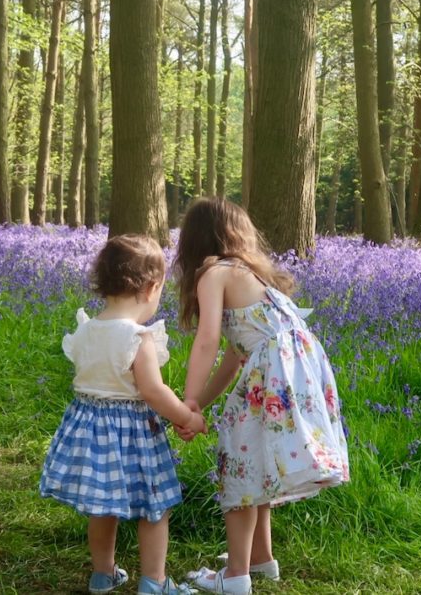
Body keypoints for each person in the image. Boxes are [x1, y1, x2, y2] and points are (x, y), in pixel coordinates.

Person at [173, 198, 350, 594]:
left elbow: (207, 343)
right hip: (294, 368)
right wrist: (200, 402)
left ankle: (235, 577)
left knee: (238, 460)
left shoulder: (214, 273)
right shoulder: (249, 275)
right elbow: (234, 357)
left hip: (274, 370)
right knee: (254, 456)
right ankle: (260, 559)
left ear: (193, 242)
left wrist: (185, 401)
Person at [39, 235, 203, 595]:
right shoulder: (137, 336)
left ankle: (103, 573)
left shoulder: (86, 330)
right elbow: (152, 390)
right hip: (133, 434)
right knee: (154, 507)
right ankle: (154, 582)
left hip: (91, 431)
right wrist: (185, 417)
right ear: (150, 287)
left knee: (102, 507)